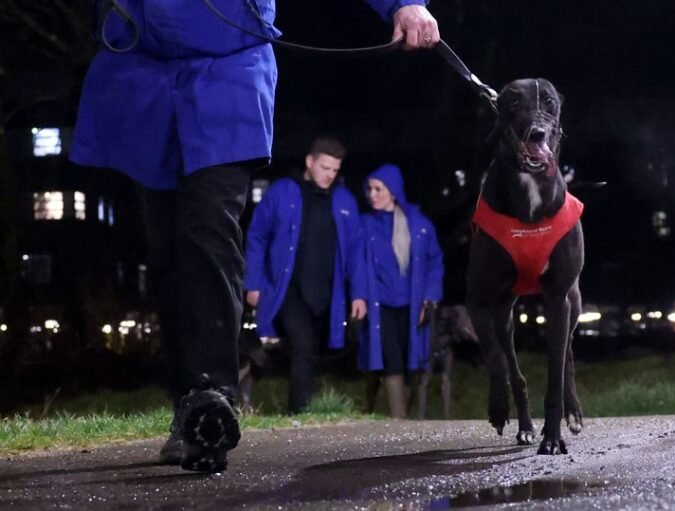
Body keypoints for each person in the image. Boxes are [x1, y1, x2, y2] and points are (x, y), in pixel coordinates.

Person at [69, 0, 440, 472]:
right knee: (166, 253)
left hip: (228, 71)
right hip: (144, 73)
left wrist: (402, 3)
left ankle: (213, 395)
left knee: (207, 229)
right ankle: (189, 403)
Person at [244, 137, 366, 414]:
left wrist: (358, 293)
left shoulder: (344, 200)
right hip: (286, 287)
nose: (329, 175)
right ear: (310, 162)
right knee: (303, 343)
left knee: (314, 349)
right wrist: (253, 283)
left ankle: (309, 403)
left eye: (335, 170)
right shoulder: (281, 193)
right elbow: (257, 237)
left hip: (327, 292)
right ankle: (300, 411)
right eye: (325, 168)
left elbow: (357, 250)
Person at [358, 163, 444, 418]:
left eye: (378, 189)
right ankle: (399, 421)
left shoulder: (418, 225)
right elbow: (357, 264)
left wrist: (429, 299)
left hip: (411, 305)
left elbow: (434, 262)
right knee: (390, 359)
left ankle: (398, 414)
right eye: (369, 189)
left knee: (411, 361)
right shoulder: (365, 225)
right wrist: (359, 295)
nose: (371, 194)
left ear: (393, 191)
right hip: (380, 304)